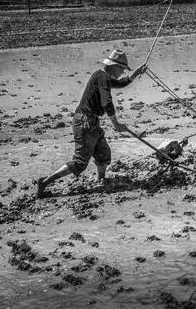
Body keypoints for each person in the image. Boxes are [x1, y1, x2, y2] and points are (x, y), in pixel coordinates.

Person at [37, 50, 146, 198]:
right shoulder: (103, 78)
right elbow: (106, 102)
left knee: (103, 154)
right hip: (85, 122)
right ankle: (45, 181)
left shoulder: (101, 76)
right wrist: (116, 124)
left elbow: (121, 83)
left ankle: (101, 179)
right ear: (114, 66)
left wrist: (136, 73)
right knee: (80, 163)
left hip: (91, 121)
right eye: (121, 69)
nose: (122, 72)